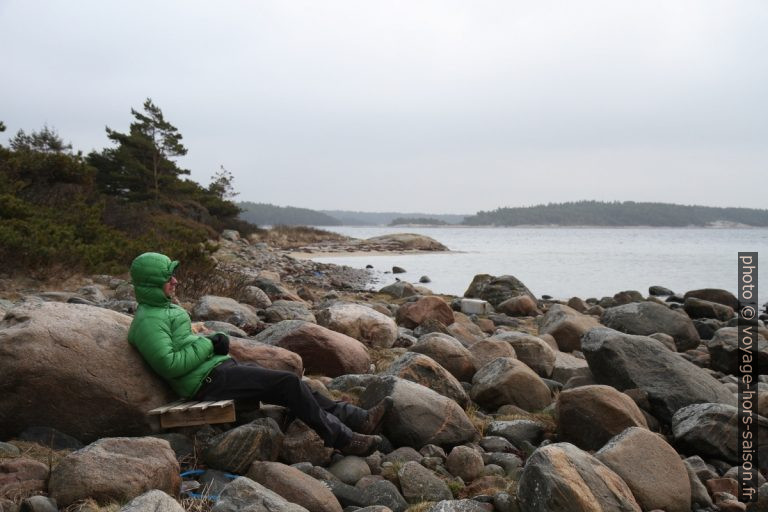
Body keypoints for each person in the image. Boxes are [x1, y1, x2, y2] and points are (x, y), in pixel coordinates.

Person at [127, 251, 390, 456]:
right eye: (168, 277)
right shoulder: (148, 320)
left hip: (216, 372)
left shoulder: (161, 310)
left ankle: (359, 419)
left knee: (291, 383)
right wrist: (209, 344)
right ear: (152, 282)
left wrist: (206, 340)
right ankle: (343, 439)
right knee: (287, 383)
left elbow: (180, 345)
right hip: (206, 383)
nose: (175, 281)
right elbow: (170, 364)